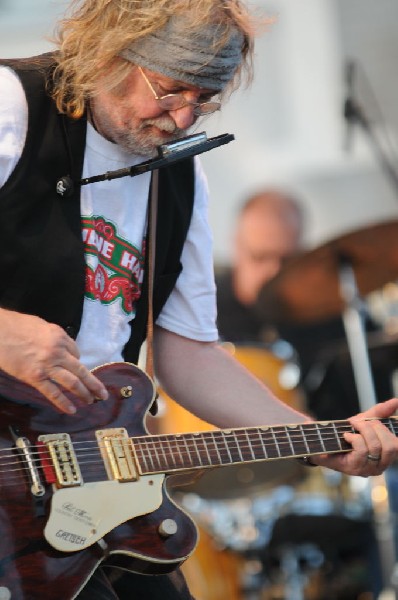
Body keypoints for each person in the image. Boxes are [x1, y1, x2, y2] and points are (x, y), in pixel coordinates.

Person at [0, 1, 398, 599]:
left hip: (89, 480)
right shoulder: (13, 104)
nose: (184, 117)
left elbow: (190, 354)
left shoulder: (179, 177)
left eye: (205, 99)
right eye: (171, 90)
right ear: (112, 54)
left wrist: (320, 439)